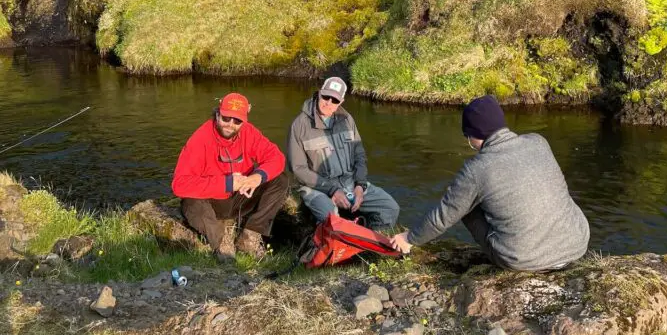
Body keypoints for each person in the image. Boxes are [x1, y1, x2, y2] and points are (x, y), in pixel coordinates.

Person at [391, 95, 589, 271]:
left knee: (464, 206)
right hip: (576, 244)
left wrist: (409, 238)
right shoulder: (539, 142)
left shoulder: (476, 169)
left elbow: (443, 217)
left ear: (473, 135)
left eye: (468, 136)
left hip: (525, 259)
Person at [172, 92, 288, 260]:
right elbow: (179, 184)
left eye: (237, 121)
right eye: (226, 118)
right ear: (218, 113)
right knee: (191, 203)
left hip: (240, 197)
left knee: (281, 180)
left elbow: (277, 158)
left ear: (244, 121)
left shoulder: (249, 132)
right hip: (211, 202)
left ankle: (250, 237)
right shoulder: (200, 138)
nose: (230, 125)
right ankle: (222, 245)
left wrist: (256, 177)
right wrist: (226, 184)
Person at [286, 73, 400, 230]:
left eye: (335, 100)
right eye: (326, 97)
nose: (328, 103)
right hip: (317, 187)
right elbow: (298, 169)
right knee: (332, 219)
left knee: (389, 207)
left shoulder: (347, 120)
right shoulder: (299, 125)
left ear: (341, 101)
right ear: (320, 92)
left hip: (350, 183)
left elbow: (359, 156)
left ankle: (371, 246)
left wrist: (360, 185)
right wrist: (332, 189)